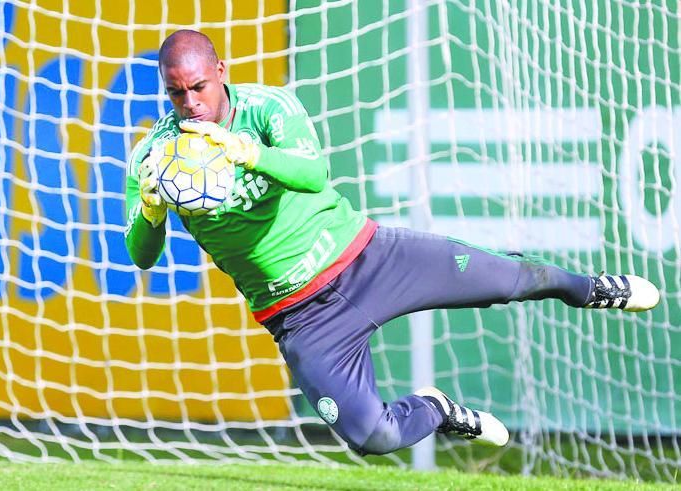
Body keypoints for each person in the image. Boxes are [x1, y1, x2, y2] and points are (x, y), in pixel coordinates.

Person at [124, 29, 660, 455]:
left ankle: (589, 288)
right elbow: (140, 256)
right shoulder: (155, 157)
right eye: (176, 92)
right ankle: (438, 410)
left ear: (220, 73)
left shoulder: (268, 110)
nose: (190, 101)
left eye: (199, 86)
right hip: (301, 317)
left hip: (369, 258)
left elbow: (313, 174)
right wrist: (151, 213)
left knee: (516, 278)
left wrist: (248, 153)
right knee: (373, 438)